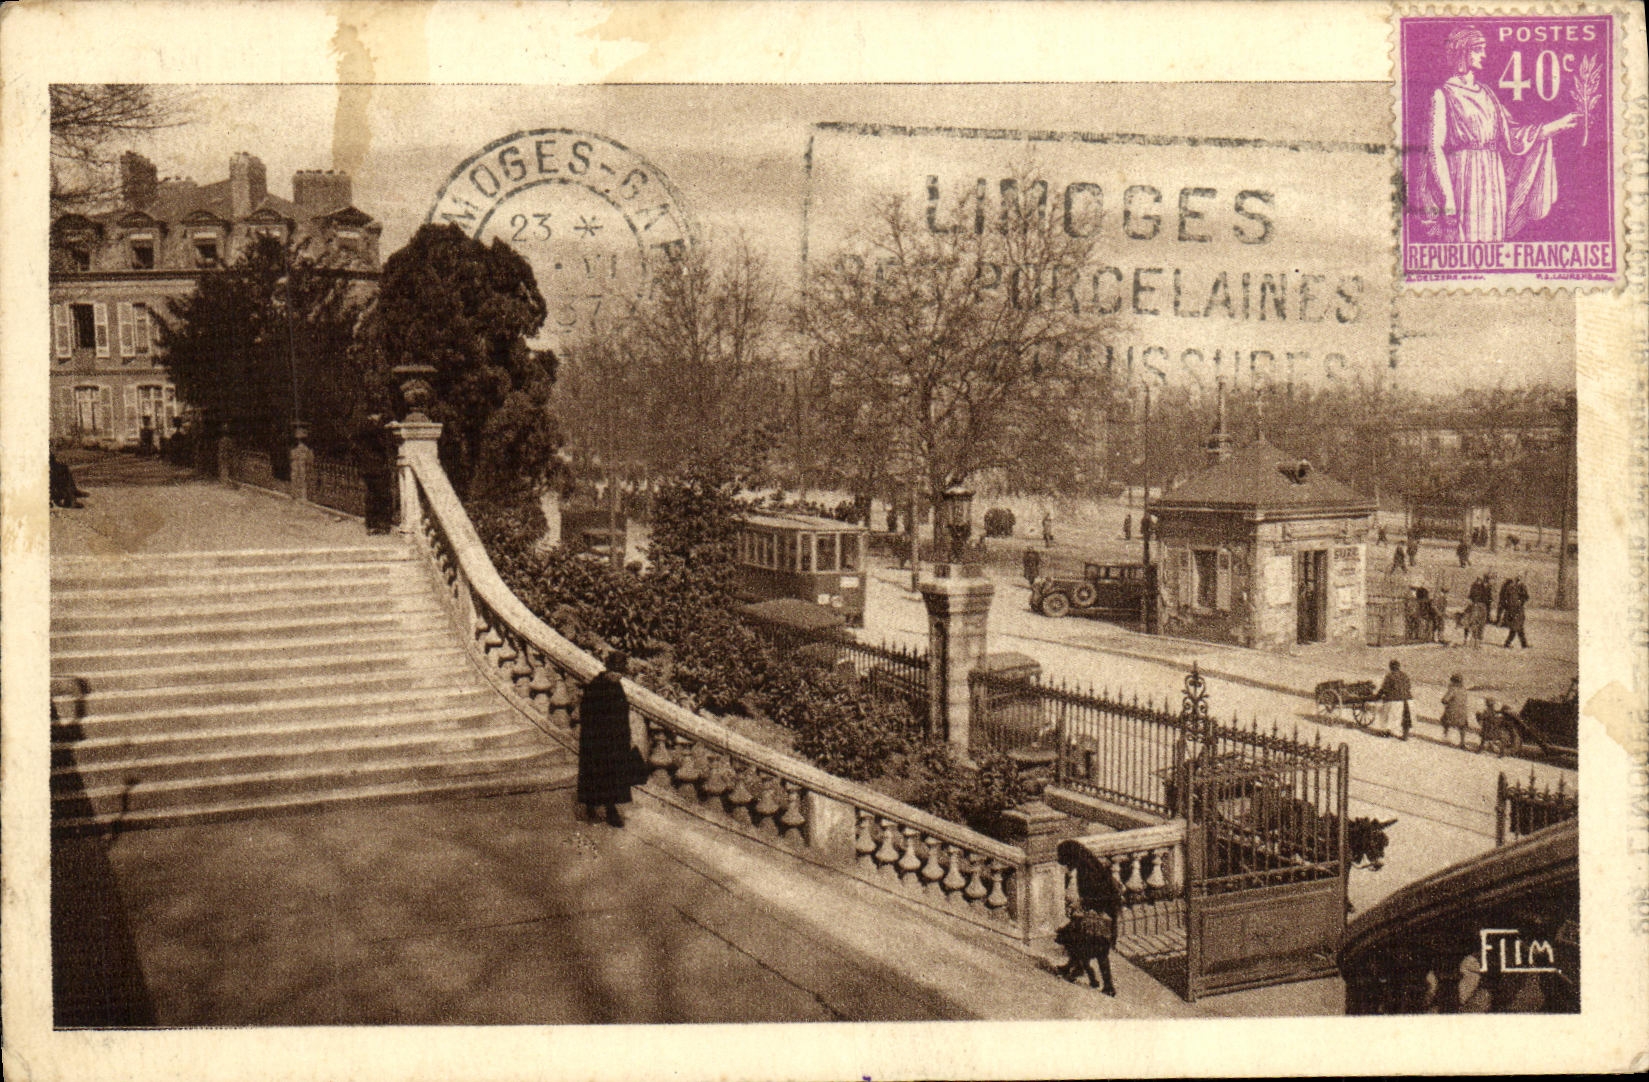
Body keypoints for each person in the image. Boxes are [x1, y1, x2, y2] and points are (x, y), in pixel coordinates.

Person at [1420, 25, 1579, 244]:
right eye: (1478, 50)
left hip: (1492, 178)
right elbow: (1435, 149)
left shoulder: (1488, 94)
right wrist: (1448, 201)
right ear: (1463, 52)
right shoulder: (1443, 94)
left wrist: (1555, 127)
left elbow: (1511, 136)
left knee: (1492, 242)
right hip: (1464, 178)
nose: (1484, 55)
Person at [572, 651, 644, 827]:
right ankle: (595, 807)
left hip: (615, 741)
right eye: (616, 671)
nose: (619, 675)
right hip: (598, 741)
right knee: (597, 774)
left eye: (621, 672)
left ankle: (609, 810)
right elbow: (587, 714)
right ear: (609, 669)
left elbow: (622, 714)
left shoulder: (616, 686)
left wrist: (626, 737)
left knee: (612, 776)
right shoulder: (596, 686)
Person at [1053, 840, 1121, 996]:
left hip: (1101, 916)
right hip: (1102, 914)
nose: (1066, 865)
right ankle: (1075, 966)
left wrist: (1082, 903)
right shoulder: (1088, 865)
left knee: (1097, 949)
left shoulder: (1087, 872)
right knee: (1078, 939)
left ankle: (1108, 986)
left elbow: (1101, 897)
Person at [1375, 659, 1413, 740]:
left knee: (1385, 714)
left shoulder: (1390, 676)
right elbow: (1409, 686)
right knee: (1404, 718)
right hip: (1407, 699)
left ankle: (1385, 732)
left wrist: (1378, 696)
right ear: (1399, 667)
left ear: (1390, 667)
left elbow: (1384, 688)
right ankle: (1404, 735)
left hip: (1394, 700)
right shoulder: (1405, 675)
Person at [1440, 673, 1471, 748]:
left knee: (1444, 720)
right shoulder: (1464, 690)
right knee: (1462, 727)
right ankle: (1462, 742)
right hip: (1463, 712)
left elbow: (1445, 700)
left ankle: (1446, 736)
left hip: (1452, 712)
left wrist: (1445, 702)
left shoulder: (1452, 689)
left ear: (1453, 681)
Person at [1503, 576, 1530, 649]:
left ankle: (1523, 644)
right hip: (1515, 610)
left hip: (1516, 610)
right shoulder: (1514, 588)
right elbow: (1526, 597)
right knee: (1515, 627)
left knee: (1519, 627)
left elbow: (1526, 597)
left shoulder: (1513, 588)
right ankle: (1507, 643)